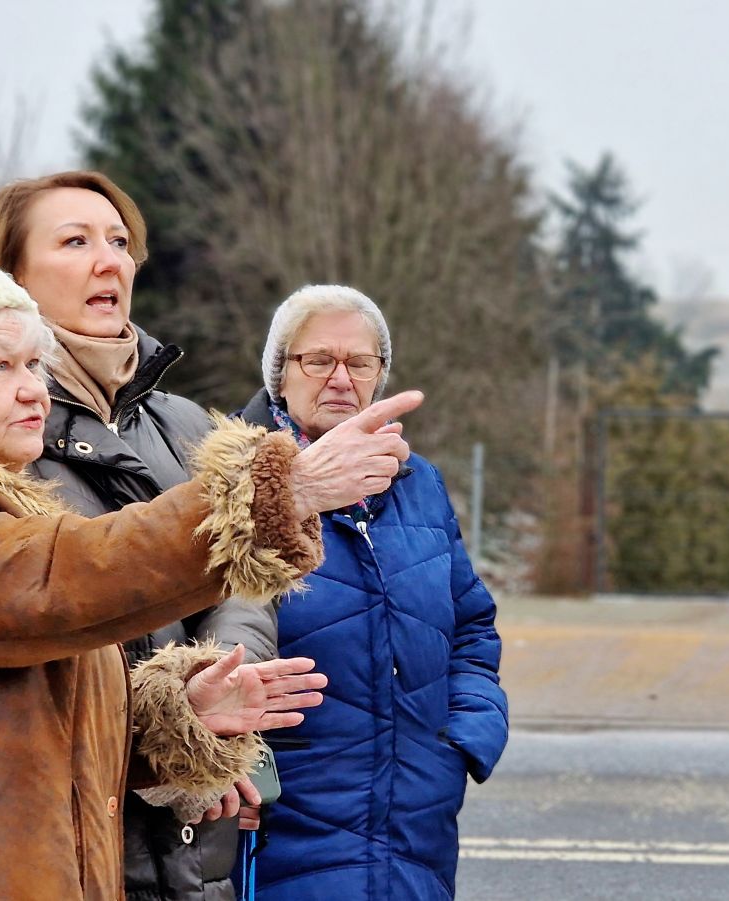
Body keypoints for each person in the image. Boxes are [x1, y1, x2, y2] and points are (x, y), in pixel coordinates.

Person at [0, 257, 422, 900]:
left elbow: (28, 733)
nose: (33, 388)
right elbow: (73, 569)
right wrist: (281, 490)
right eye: (0, 364)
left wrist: (178, 716)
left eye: (34, 364)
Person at [0, 170, 275, 901]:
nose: (112, 261)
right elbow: (52, 619)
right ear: (9, 277)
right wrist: (175, 723)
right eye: (76, 242)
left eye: (119, 241)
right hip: (74, 838)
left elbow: (248, 583)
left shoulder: (191, 425)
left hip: (206, 832)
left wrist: (218, 700)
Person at [234, 284, 508, 900]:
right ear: (280, 374)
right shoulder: (232, 484)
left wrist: (463, 737)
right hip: (285, 817)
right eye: (317, 360)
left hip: (416, 816)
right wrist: (230, 767)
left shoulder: (418, 484)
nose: (340, 378)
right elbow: (197, 635)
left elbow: (470, 625)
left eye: (360, 362)